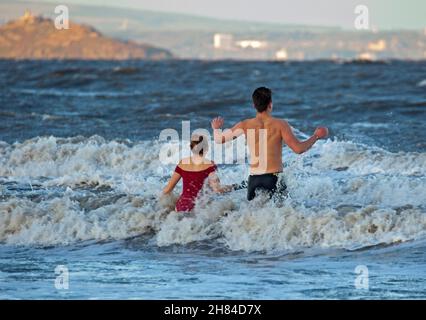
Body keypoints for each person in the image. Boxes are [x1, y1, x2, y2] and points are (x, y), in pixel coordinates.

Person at [211, 86, 328, 201]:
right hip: (274, 178)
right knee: (283, 216)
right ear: (270, 104)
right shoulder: (280, 124)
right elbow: (298, 149)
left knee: (254, 217)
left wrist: (216, 128)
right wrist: (316, 136)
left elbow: (219, 139)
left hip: (254, 180)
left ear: (254, 106)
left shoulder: (244, 124)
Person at [162, 134, 232, 212]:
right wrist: (233, 187)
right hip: (198, 208)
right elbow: (217, 189)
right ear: (206, 148)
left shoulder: (182, 163)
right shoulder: (210, 165)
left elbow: (167, 190)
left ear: (191, 147)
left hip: (180, 206)